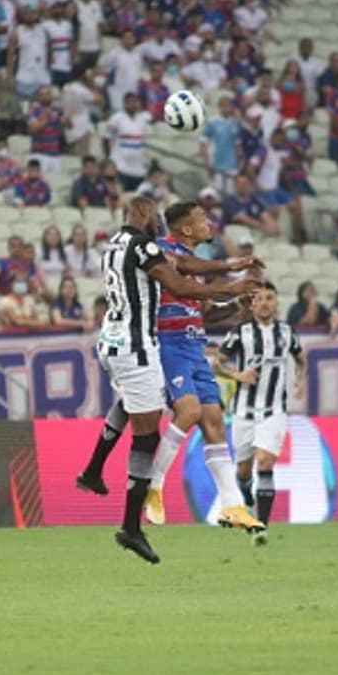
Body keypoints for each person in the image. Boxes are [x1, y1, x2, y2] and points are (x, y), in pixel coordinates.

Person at [73, 197, 262, 564]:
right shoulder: (148, 246)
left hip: (117, 340)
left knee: (158, 409)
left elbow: (186, 271)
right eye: (156, 216)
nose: (159, 222)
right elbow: (183, 283)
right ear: (144, 214)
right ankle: (137, 510)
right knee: (150, 434)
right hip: (142, 344)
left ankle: (95, 472)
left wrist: (230, 269)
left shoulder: (115, 244)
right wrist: (232, 286)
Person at [213, 281, 306, 544]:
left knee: (265, 461)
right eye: (260, 299)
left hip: (274, 410)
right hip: (243, 411)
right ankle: (246, 491)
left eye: (270, 298)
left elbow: (301, 358)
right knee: (243, 471)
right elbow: (217, 363)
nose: (265, 303)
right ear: (252, 304)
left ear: (276, 302)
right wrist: (237, 375)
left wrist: (301, 380)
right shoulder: (240, 333)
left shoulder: (287, 333)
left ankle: (261, 526)